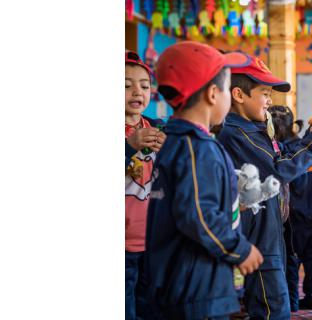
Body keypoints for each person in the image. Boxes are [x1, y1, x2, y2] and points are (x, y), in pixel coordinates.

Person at [143, 41, 264, 319]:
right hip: (196, 289)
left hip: (179, 284)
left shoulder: (175, 142)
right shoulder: (197, 148)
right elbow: (198, 215)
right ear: (213, 94)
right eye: (228, 90)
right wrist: (240, 250)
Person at [216, 53, 312, 320]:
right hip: (259, 237)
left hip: (269, 231)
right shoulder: (237, 133)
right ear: (238, 94)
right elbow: (280, 167)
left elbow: (279, 152)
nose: (270, 101)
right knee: (274, 308)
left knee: (269, 301)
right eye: (265, 93)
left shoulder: (253, 129)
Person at [269, 105, 312, 312]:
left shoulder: (284, 152)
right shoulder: (310, 145)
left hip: (295, 216)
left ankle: (292, 302)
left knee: (291, 261)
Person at [124, 50, 166, 320]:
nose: (137, 91)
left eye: (144, 85)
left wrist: (168, 151)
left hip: (154, 240)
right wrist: (129, 146)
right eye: (126, 86)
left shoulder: (158, 128)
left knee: (152, 308)